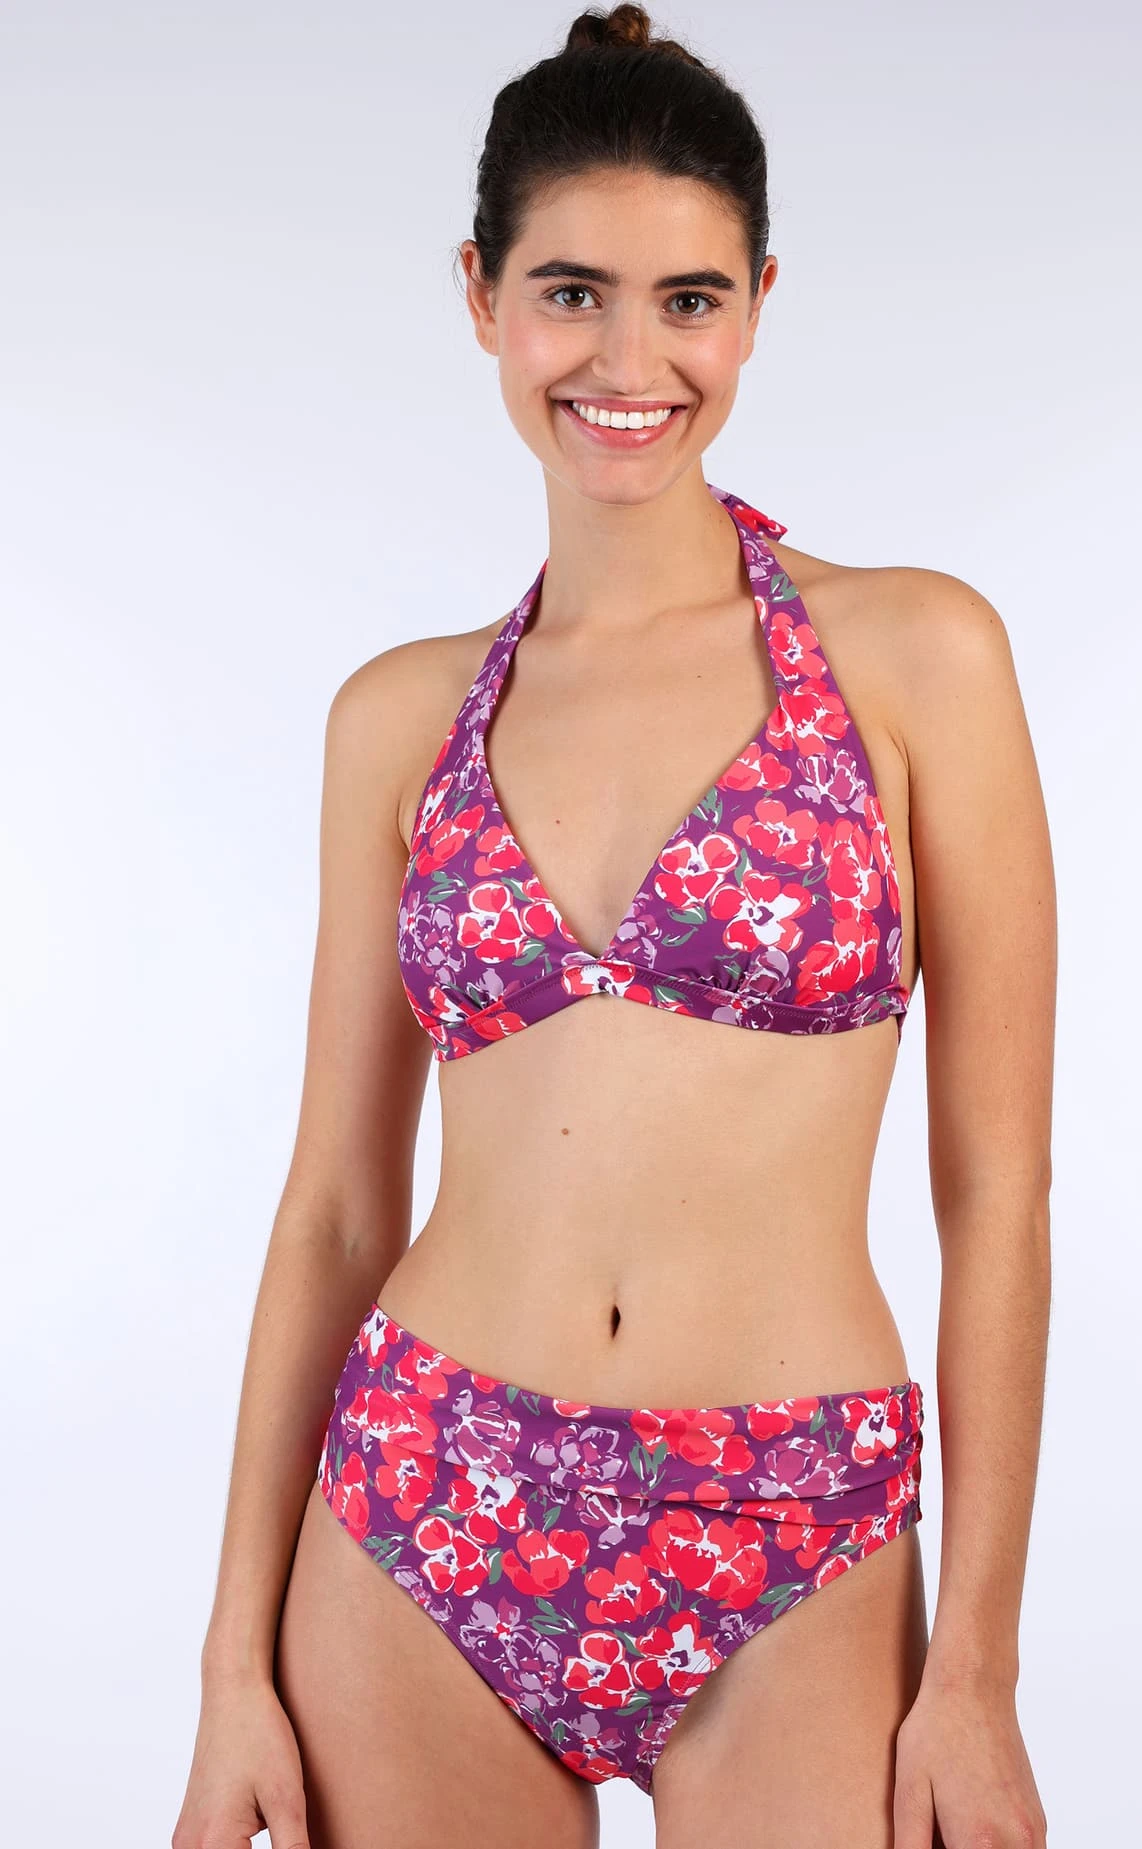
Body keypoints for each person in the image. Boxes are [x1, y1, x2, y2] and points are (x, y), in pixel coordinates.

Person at [173, 6, 1054, 1846]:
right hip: (420, 1504)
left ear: (758, 306)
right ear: (481, 296)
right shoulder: (400, 718)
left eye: (689, 299)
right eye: (570, 293)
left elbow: (997, 1192)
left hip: (792, 1514)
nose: (628, 359)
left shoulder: (917, 657)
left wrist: (975, 1667)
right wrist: (228, 1668)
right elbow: (334, 1204)